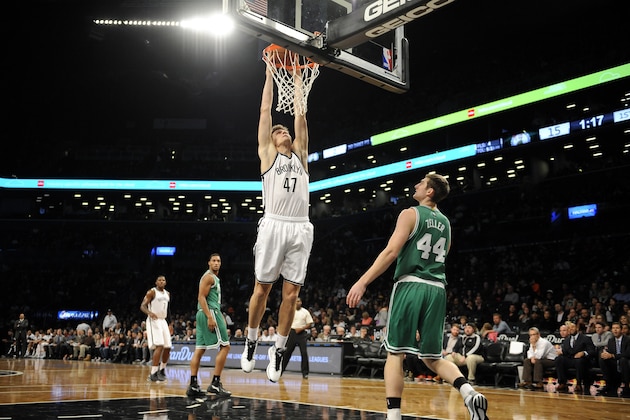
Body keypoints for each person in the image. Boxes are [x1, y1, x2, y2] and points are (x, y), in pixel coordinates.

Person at [346, 173, 489, 420]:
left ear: (430, 191)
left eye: (421, 183)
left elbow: (391, 251)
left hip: (411, 285)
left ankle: (393, 415)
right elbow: (445, 254)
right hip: (437, 289)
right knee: (432, 357)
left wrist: (363, 281)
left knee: (394, 354)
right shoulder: (446, 223)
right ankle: (468, 392)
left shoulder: (410, 213)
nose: (416, 185)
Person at [240, 59, 314, 383]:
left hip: (300, 225)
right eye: (277, 131)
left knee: (291, 296)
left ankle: (279, 350)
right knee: (262, 289)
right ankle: (252, 340)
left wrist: (297, 75)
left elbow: (299, 113)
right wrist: (270, 73)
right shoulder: (268, 157)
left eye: (284, 131)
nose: (282, 131)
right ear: (271, 141)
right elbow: (265, 112)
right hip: (273, 222)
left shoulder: (301, 155)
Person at [187, 253, 232, 398]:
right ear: (209, 263)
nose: (216, 263)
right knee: (225, 346)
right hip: (210, 312)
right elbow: (201, 297)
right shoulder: (209, 277)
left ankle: (193, 385)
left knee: (199, 350)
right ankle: (215, 383)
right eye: (214, 260)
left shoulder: (212, 278)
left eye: (219, 261)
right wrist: (210, 317)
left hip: (201, 313)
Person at [140, 275, 172, 382]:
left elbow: (169, 310)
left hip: (163, 320)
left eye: (163, 280)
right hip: (154, 320)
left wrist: (170, 323)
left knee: (168, 346)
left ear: (165, 282)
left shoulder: (167, 294)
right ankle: (153, 373)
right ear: (156, 282)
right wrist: (150, 313)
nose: (162, 281)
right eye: (160, 280)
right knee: (160, 346)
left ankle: (162, 370)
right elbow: (142, 306)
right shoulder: (151, 292)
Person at [554, 321, 595, 393]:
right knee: (559, 359)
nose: (571, 329)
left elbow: (592, 351)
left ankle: (578, 384)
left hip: (582, 360)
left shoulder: (585, 338)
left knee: (579, 361)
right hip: (570, 359)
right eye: (569, 328)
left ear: (577, 328)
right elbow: (566, 352)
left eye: (572, 327)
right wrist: (560, 352)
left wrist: (583, 353)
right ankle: (562, 383)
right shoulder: (566, 340)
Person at [281, 297, 314, 379]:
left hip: (302, 333)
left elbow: (310, 324)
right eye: (296, 301)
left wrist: (301, 328)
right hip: (292, 332)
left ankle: (305, 373)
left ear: (301, 302)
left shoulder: (305, 312)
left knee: (304, 353)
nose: (297, 303)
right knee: (287, 352)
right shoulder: (290, 310)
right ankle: (280, 371)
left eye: (299, 301)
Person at [598, 321, 630, 397]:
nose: (615, 330)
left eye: (617, 328)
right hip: (615, 362)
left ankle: (626, 386)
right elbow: (609, 352)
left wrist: (612, 356)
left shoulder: (628, 339)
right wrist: (604, 354)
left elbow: (627, 354)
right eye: (613, 328)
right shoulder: (611, 340)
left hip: (626, 361)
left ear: (622, 330)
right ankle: (608, 383)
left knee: (623, 360)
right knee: (602, 359)